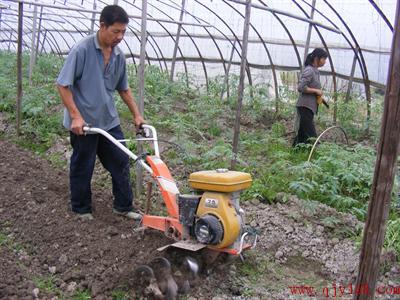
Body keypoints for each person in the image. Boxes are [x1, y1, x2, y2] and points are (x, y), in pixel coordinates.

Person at [57, 5, 144, 220]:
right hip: (84, 124)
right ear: (102, 26)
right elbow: (62, 85)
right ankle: (81, 208)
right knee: (83, 166)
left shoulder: (118, 56)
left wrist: (137, 114)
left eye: (123, 32)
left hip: (108, 120)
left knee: (121, 161)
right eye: (116, 31)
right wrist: (76, 116)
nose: (120, 37)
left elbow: (123, 88)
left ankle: (123, 206)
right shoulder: (82, 50)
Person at [293, 48, 328, 146]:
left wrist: (318, 95)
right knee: (311, 133)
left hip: (310, 107)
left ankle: (296, 150)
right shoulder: (309, 70)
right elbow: (301, 87)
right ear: (317, 58)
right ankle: (316, 151)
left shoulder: (315, 71)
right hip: (305, 106)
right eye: (324, 59)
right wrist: (316, 90)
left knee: (302, 132)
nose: (325, 62)